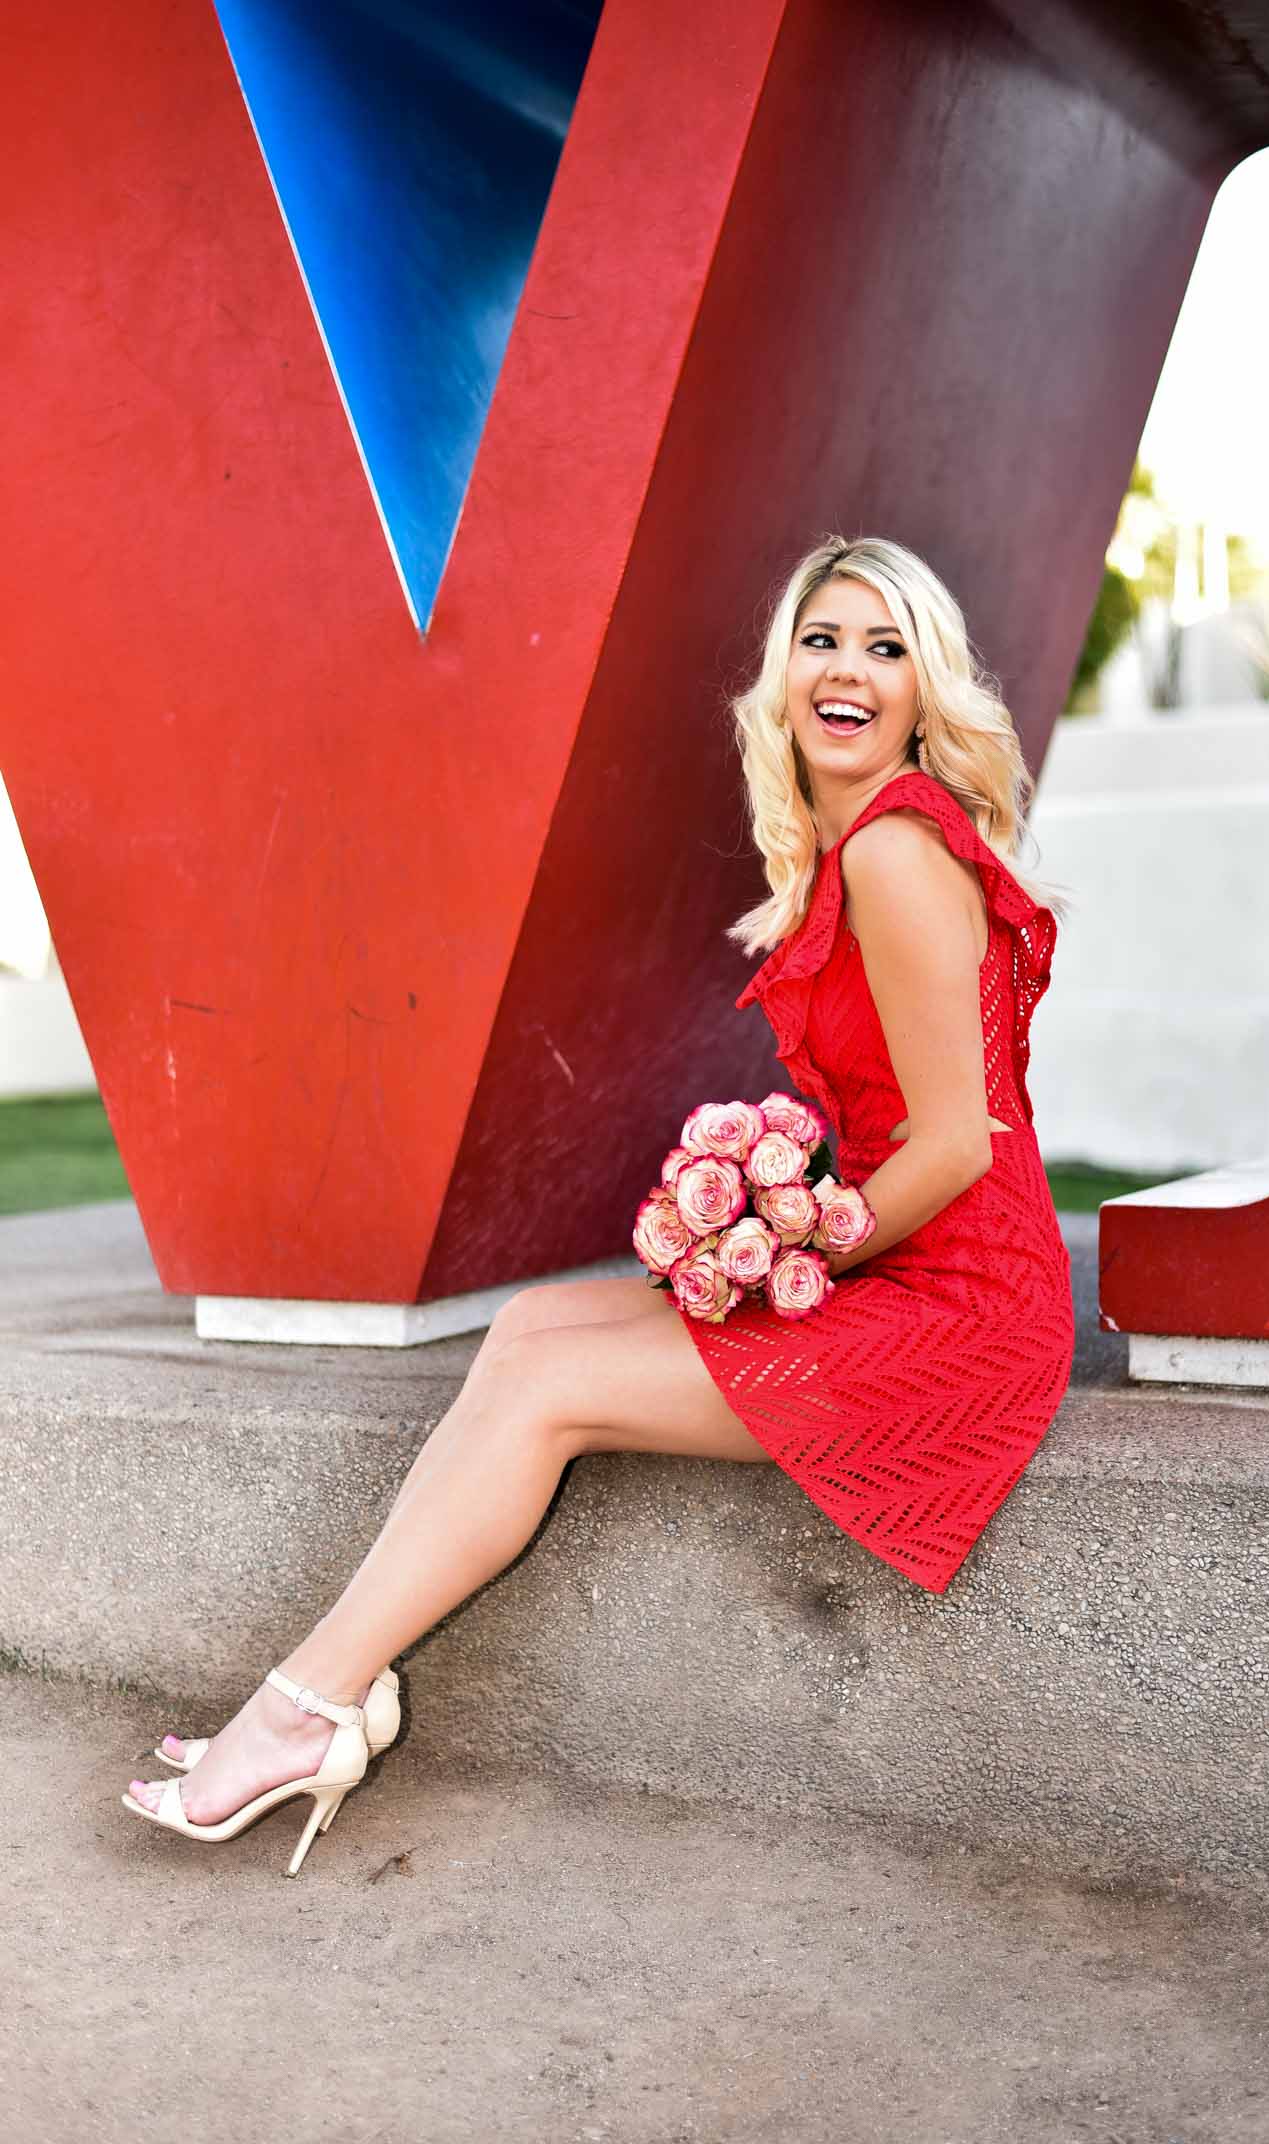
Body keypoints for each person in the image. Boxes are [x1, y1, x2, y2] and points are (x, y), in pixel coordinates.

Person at [123, 532, 1077, 1875]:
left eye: (886, 647)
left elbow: (959, 1149)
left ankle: (306, 1709)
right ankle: (344, 1676)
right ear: (783, 677)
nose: (849, 671)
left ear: (927, 690)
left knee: (542, 1394)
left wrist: (802, 1242)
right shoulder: (859, 844)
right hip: (899, 1264)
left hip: (959, 1310)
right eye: (823, 641)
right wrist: (778, 1230)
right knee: (525, 1333)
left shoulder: (896, 855)